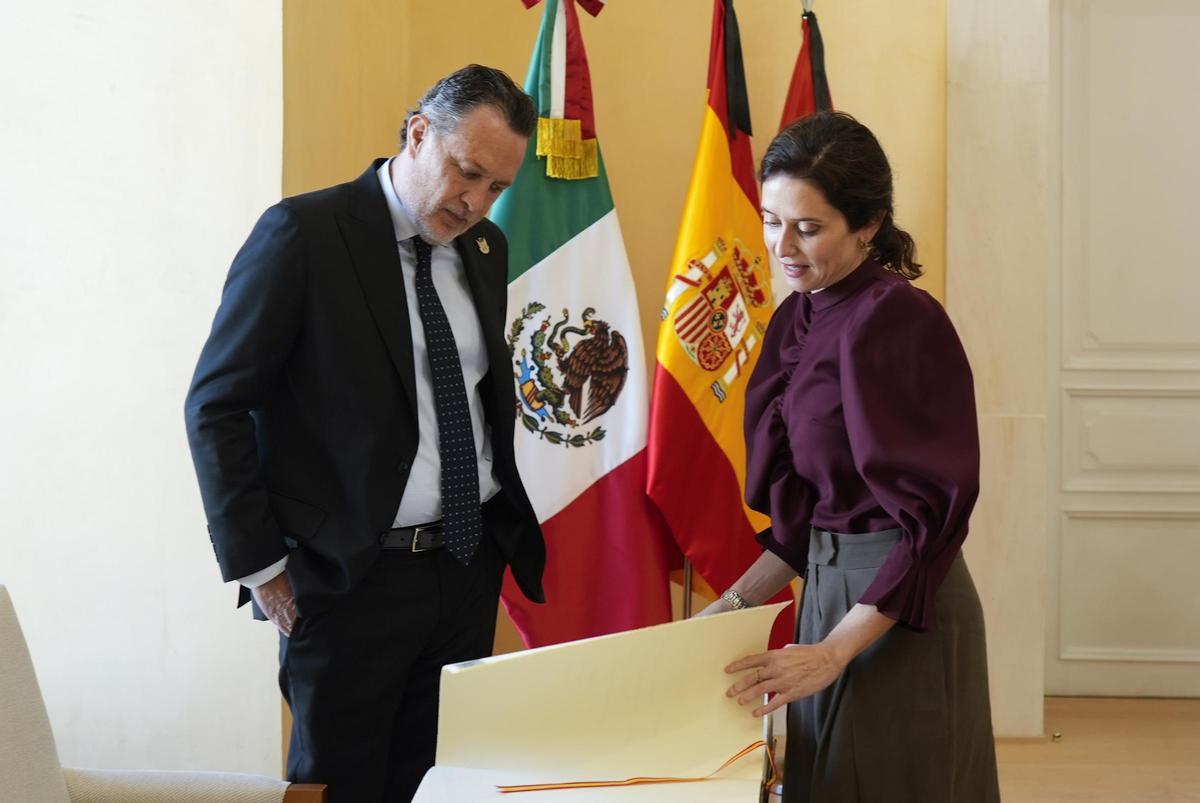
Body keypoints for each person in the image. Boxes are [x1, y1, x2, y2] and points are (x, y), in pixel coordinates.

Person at [184, 64, 545, 803]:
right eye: (468, 172)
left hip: (464, 566)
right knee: (339, 789)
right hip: (348, 582)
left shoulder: (485, 250)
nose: (477, 203)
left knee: (441, 784)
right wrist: (262, 567)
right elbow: (216, 404)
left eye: (497, 189)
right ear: (418, 134)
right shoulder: (304, 233)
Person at [701, 111, 1001, 802]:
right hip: (826, 594)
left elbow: (928, 527)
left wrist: (836, 649)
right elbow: (806, 516)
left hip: (901, 603)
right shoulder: (796, 316)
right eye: (773, 220)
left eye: (808, 228)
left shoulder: (899, 318)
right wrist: (734, 602)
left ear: (867, 226)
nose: (782, 245)